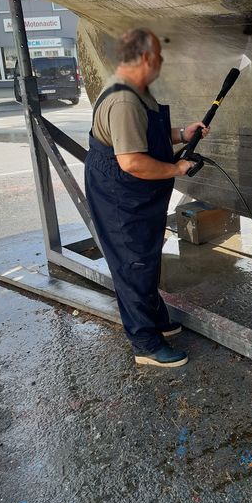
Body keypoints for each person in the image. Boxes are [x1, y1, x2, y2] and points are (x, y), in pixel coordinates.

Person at [84, 28, 209, 368]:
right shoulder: (123, 100)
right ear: (144, 58)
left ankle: (155, 318)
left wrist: (182, 133)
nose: (160, 62)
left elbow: (146, 135)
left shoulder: (136, 92)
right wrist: (178, 169)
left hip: (134, 192)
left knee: (147, 257)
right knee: (134, 263)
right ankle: (145, 343)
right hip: (121, 195)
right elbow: (134, 161)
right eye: (157, 56)